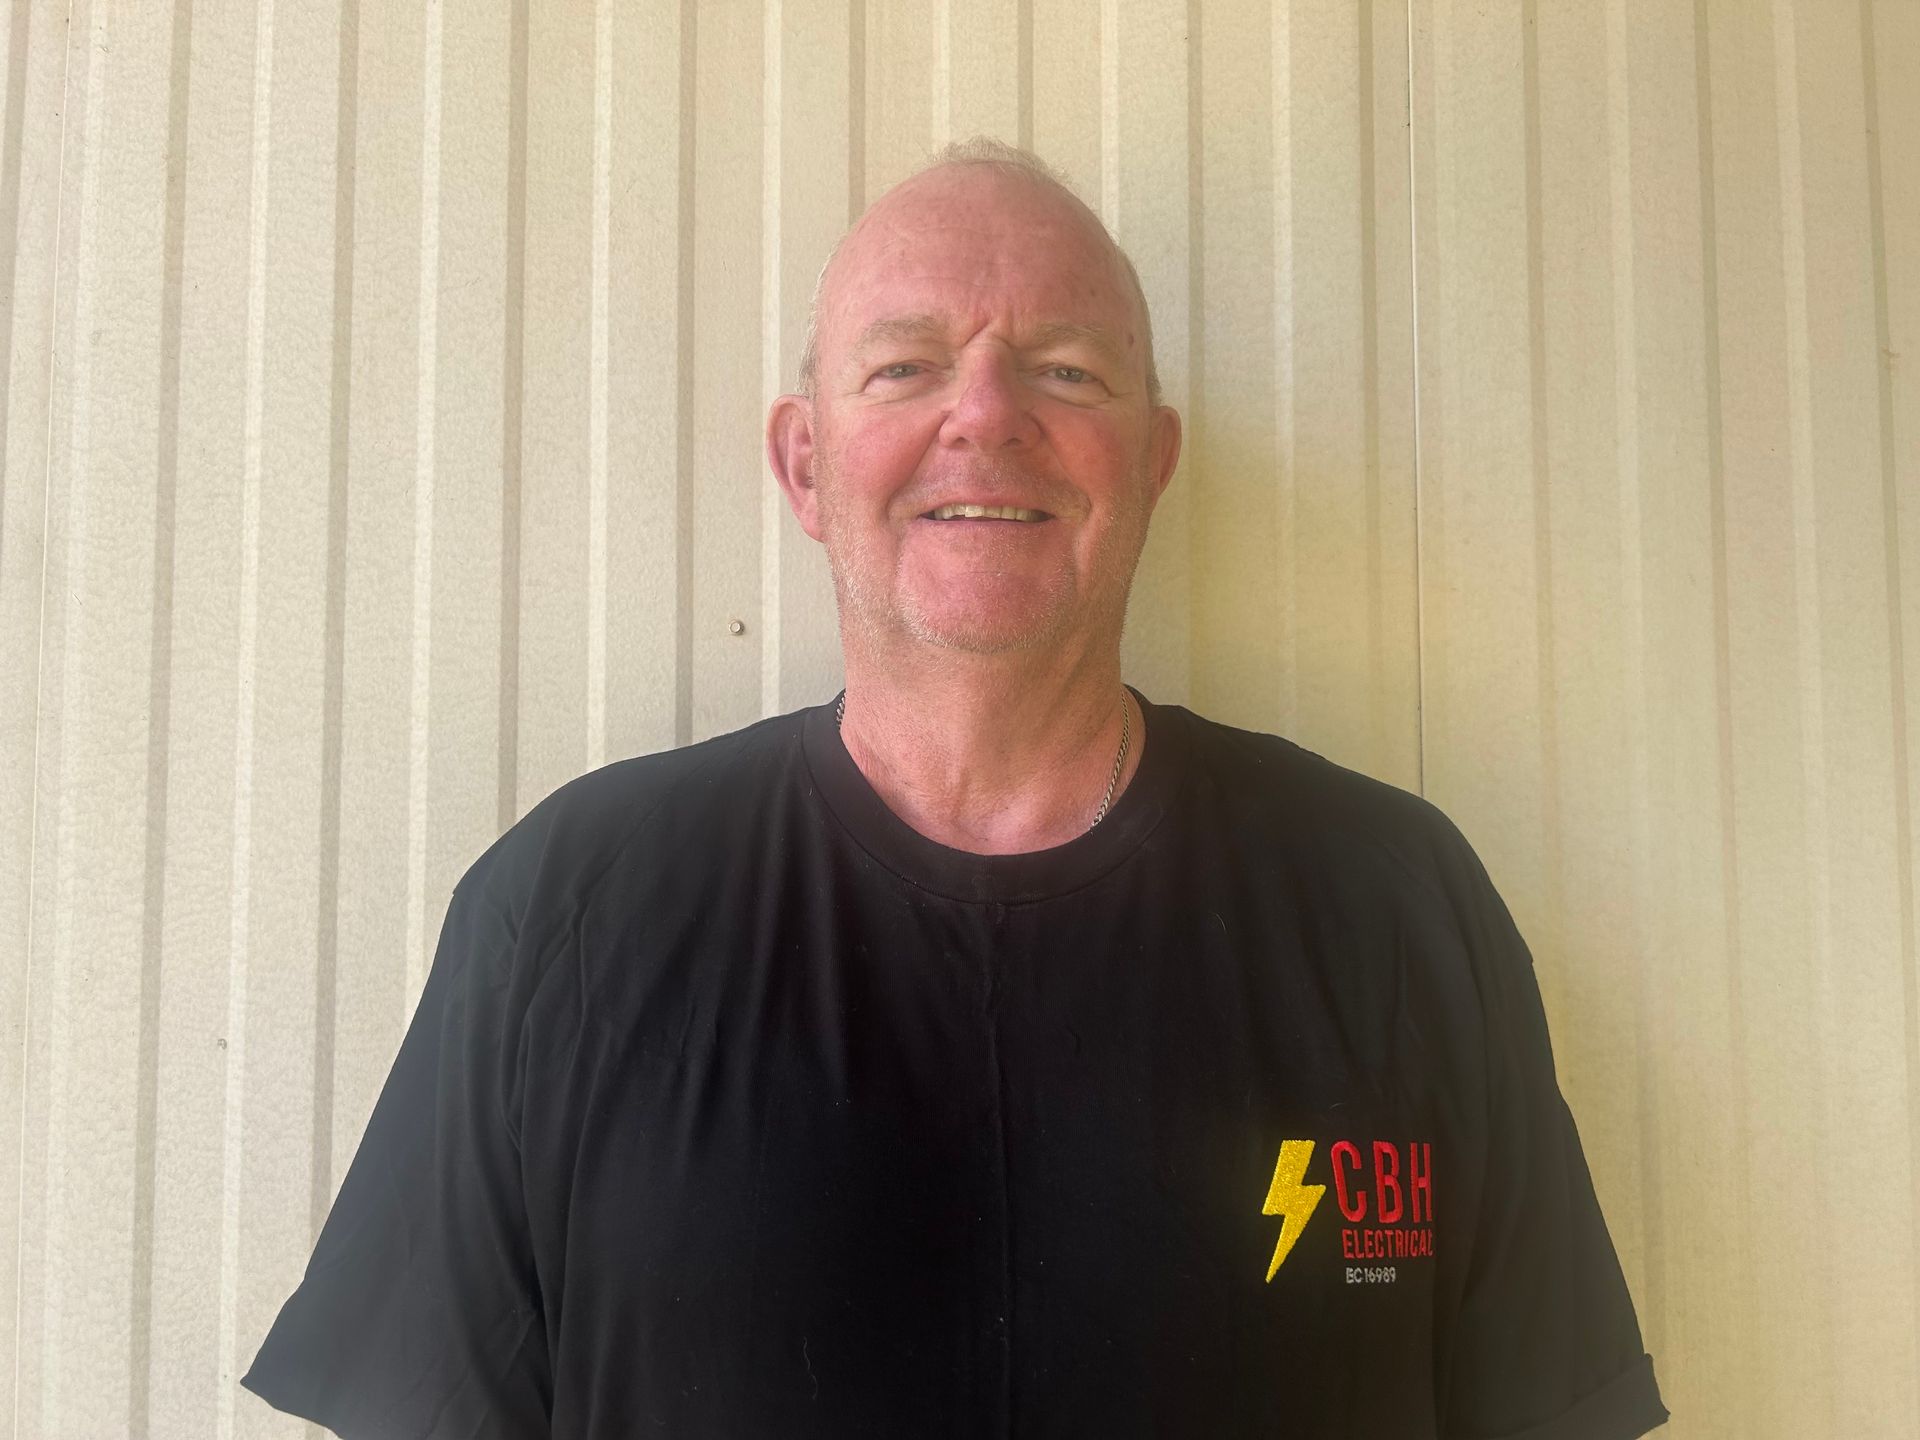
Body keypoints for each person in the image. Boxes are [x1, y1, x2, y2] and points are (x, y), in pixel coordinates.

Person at [243, 138, 1669, 1438]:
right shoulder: (571, 913)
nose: (984, 414)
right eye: (906, 366)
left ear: (1154, 462)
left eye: (1064, 369)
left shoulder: (1392, 904)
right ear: (806, 466)